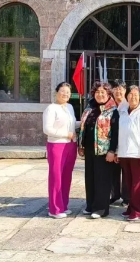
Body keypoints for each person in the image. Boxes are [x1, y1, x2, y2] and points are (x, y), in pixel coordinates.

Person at [78, 81, 119, 219]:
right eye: (97, 92)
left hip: (104, 151)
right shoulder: (89, 108)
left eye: (103, 92)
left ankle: (101, 209)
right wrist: (81, 145)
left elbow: (116, 133)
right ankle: (90, 205)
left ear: (108, 94)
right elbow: (84, 127)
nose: (100, 94)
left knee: (102, 180)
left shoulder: (113, 110)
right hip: (89, 149)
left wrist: (112, 151)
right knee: (90, 178)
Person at [116, 85, 140, 221]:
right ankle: (131, 208)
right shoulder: (122, 112)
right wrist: (117, 151)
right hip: (124, 153)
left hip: (137, 154)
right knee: (128, 183)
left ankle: (138, 210)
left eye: (136, 95)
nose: (133, 97)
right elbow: (119, 133)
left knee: (137, 183)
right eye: (130, 94)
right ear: (126, 97)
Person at [43, 82, 79, 219]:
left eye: (68, 92)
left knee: (66, 176)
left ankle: (63, 205)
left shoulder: (69, 107)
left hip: (71, 145)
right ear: (56, 92)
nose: (65, 94)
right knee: (56, 177)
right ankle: (55, 209)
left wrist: (84, 121)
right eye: (63, 91)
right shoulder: (51, 109)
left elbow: (72, 124)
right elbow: (47, 129)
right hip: (56, 145)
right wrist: (65, 134)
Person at [110, 79, 130, 207]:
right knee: (113, 171)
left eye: (121, 89)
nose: (118, 91)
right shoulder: (109, 105)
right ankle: (114, 195)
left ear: (125, 90)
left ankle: (126, 197)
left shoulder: (129, 106)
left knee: (126, 172)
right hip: (111, 144)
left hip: (125, 144)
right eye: (116, 88)